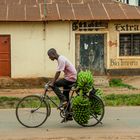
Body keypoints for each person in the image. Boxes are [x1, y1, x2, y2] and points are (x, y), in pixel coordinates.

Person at [47, 48, 77, 123]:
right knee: (66, 95)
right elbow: (58, 73)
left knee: (54, 85)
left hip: (70, 78)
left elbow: (58, 73)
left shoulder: (61, 59)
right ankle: (69, 115)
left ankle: (62, 99)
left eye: (49, 56)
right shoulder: (60, 59)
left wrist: (52, 83)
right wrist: (52, 81)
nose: (49, 57)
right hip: (69, 78)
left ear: (53, 54)